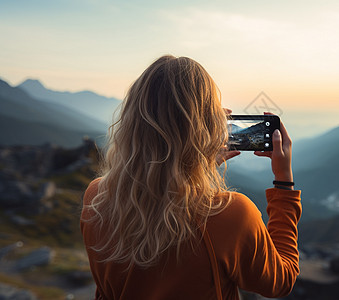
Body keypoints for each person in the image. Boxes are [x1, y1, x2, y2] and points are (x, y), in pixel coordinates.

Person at [80, 55, 302, 300]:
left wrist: (200, 167)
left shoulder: (97, 197)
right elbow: (281, 280)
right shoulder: (232, 215)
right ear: (205, 129)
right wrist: (283, 182)